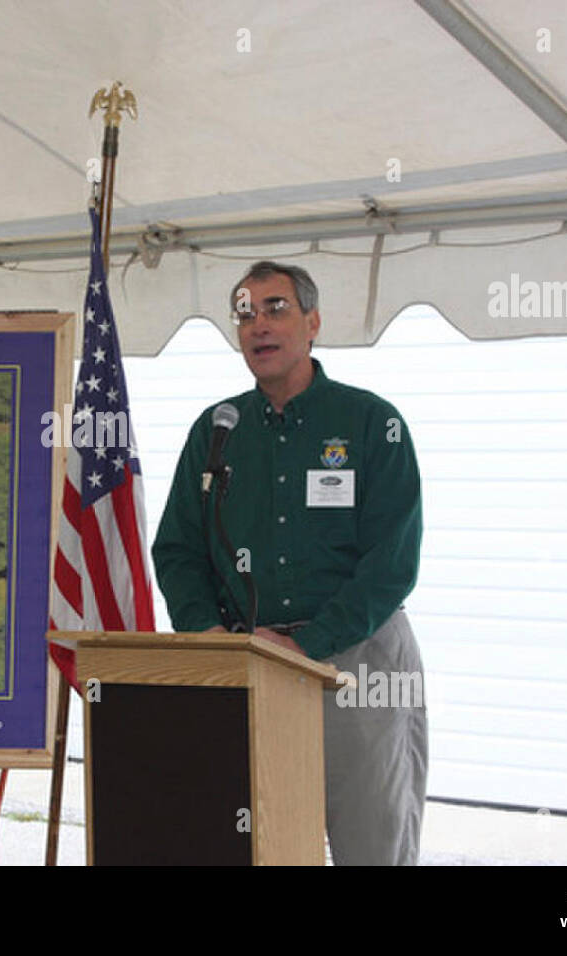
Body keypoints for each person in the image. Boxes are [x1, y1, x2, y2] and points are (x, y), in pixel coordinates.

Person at [151, 260, 427, 865]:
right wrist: (210, 635)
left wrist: (310, 645)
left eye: (276, 308)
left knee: (373, 844)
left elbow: (392, 561)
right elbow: (177, 548)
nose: (258, 325)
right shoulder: (216, 431)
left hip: (360, 662)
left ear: (313, 323)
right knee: (257, 844)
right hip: (250, 665)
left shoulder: (370, 423)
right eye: (245, 313)